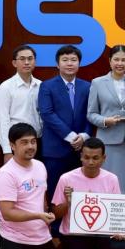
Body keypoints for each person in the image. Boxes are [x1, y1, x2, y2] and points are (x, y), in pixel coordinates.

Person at [51, 138, 125, 249]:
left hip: (101, 234)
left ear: (104, 158)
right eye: (86, 157)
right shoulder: (66, 178)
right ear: (81, 156)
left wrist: (119, 230)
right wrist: (68, 202)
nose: (91, 162)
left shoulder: (111, 179)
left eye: (95, 158)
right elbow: (55, 213)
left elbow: (116, 211)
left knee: (121, 247)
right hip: (74, 236)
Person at [87, 44, 125, 194]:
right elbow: (91, 113)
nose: (120, 63)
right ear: (110, 61)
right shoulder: (97, 83)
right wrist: (106, 121)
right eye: (116, 59)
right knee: (107, 183)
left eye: (124, 60)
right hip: (107, 140)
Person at [37, 44, 91, 197]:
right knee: (55, 193)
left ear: (79, 63)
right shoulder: (46, 86)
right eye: (65, 60)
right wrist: (71, 136)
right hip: (55, 150)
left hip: (81, 150)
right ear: (57, 64)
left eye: (73, 60)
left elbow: (91, 113)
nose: (69, 63)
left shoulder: (87, 86)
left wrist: (84, 135)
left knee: (79, 194)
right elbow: (47, 113)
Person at [0, 45, 42, 165]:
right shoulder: (6, 87)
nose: (26, 62)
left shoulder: (41, 86)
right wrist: (7, 150)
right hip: (17, 142)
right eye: (22, 59)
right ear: (14, 63)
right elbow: (3, 121)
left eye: (30, 58)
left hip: (37, 141)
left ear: (35, 61)